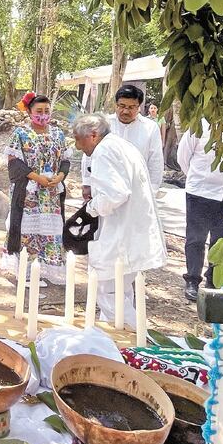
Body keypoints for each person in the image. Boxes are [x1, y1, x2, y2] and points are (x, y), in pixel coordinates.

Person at [72, 114, 167, 328]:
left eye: (79, 139)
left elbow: (115, 194)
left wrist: (90, 209)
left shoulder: (104, 151)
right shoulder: (121, 145)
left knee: (106, 289)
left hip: (122, 233)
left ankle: (140, 337)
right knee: (120, 289)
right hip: (133, 229)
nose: (78, 146)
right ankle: (114, 339)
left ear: (93, 135)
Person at [1, 92, 71, 285]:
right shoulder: (21, 134)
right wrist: (37, 177)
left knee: (49, 230)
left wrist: (60, 177)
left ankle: (47, 269)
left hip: (51, 194)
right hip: (29, 192)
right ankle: (27, 270)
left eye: (47, 111)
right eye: (39, 111)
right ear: (30, 112)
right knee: (28, 230)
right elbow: (14, 163)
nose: (43, 114)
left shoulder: (58, 134)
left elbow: (65, 160)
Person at [177, 120, 223, 302]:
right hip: (200, 191)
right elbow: (183, 157)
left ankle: (213, 282)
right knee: (195, 238)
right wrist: (198, 178)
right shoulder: (199, 125)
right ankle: (192, 280)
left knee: (221, 241)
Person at [81, 85, 164, 202]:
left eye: (131, 107)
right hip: (104, 191)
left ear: (139, 107)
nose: (125, 111)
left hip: (137, 192)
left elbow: (155, 161)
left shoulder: (150, 128)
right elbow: (89, 155)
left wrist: (153, 190)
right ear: (116, 105)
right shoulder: (103, 125)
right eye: (122, 106)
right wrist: (87, 183)